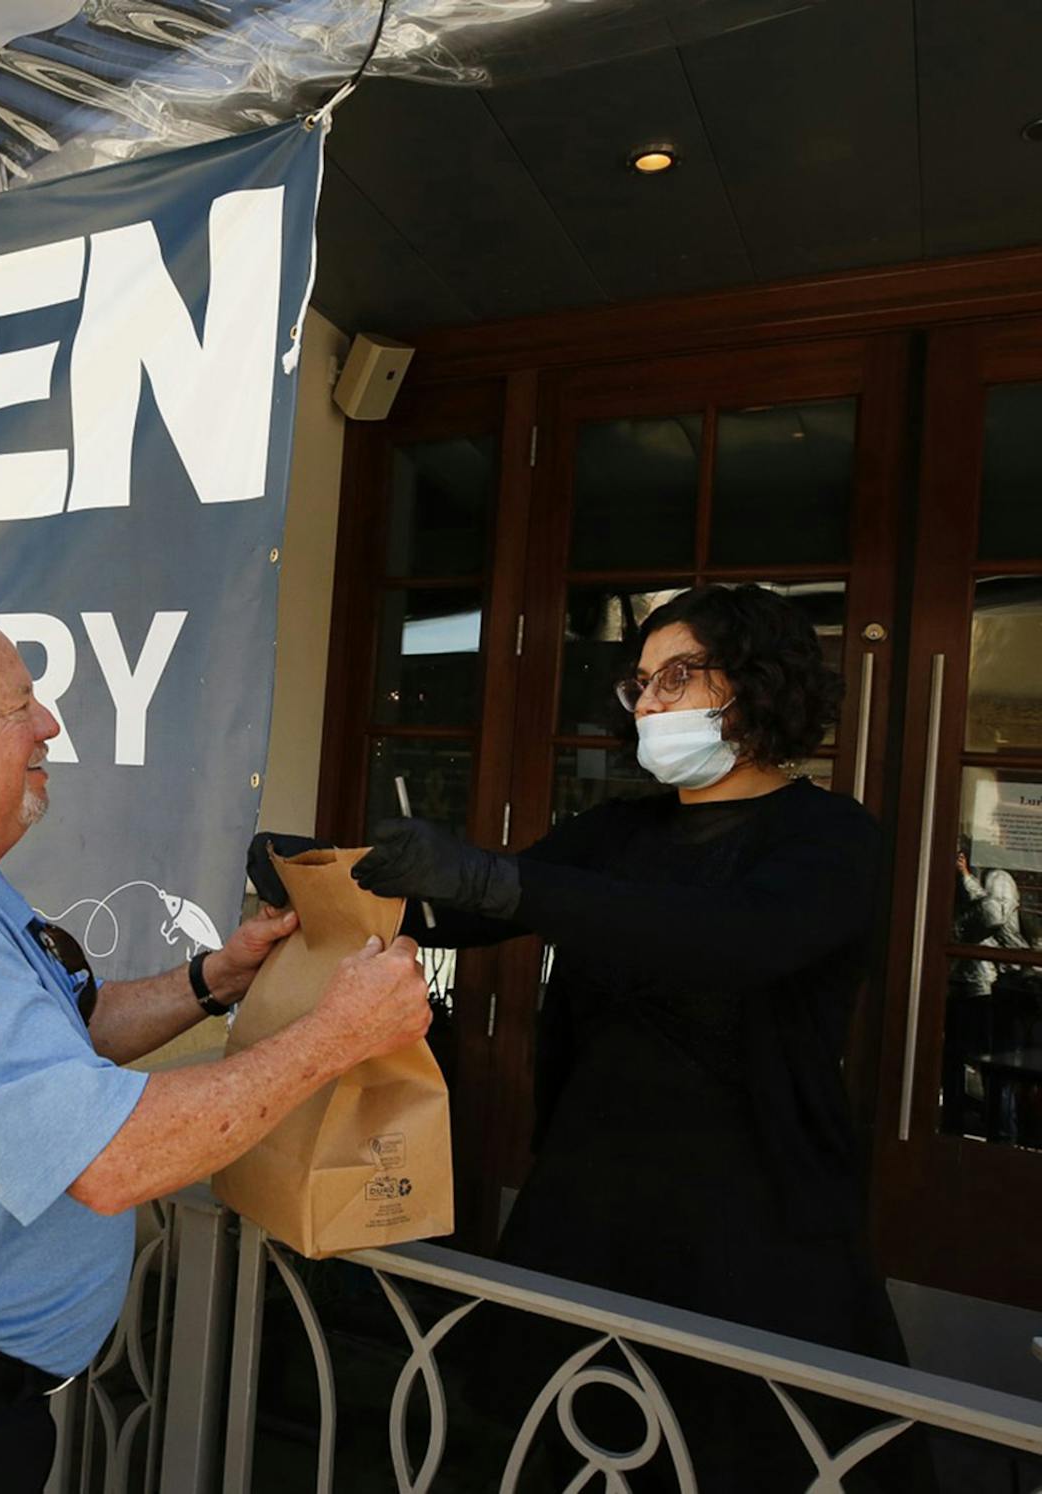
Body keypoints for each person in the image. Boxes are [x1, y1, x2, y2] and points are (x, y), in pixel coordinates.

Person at [0, 602, 433, 1493]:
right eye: (19, 707)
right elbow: (111, 1160)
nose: (49, 724)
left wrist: (216, 980)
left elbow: (64, 1036)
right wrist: (338, 1035)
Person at [339, 583, 910, 1491]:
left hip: (751, 1227)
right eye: (639, 683)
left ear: (756, 683)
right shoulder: (620, 829)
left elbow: (737, 937)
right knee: (560, 1450)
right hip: (590, 1204)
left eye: (676, 676)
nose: (648, 703)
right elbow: (472, 911)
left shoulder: (831, 838)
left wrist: (500, 885)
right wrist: (320, 876)